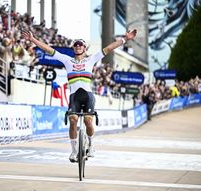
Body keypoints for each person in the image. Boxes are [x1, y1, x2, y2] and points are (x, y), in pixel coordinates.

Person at [21, 29, 137, 162]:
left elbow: (109, 48)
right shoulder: (67, 60)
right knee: (73, 120)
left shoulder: (91, 59)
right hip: (74, 96)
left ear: (84, 48)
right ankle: (74, 151)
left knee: (88, 121)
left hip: (87, 95)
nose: (78, 46)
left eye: (80, 44)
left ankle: (91, 145)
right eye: (75, 45)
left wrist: (125, 39)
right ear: (73, 48)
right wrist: (33, 39)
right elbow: (49, 50)